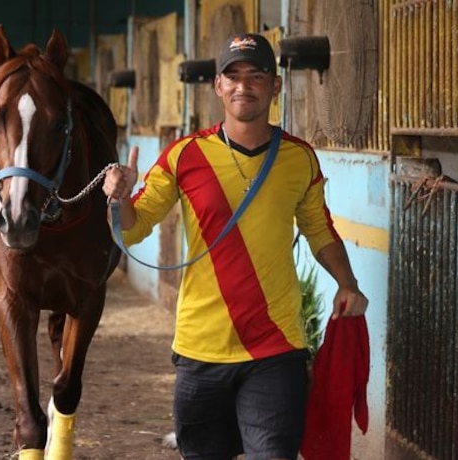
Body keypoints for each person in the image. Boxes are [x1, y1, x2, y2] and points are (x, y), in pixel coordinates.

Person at [102, 32, 368, 460]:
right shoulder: (183, 155)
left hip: (276, 346)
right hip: (200, 346)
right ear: (218, 86)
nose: (244, 85)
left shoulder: (299, 158)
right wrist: (119, 199)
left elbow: (320, 229)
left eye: (256, 75)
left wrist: (347, 283)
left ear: (275, 86)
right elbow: (133, 230)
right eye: (233, 76)